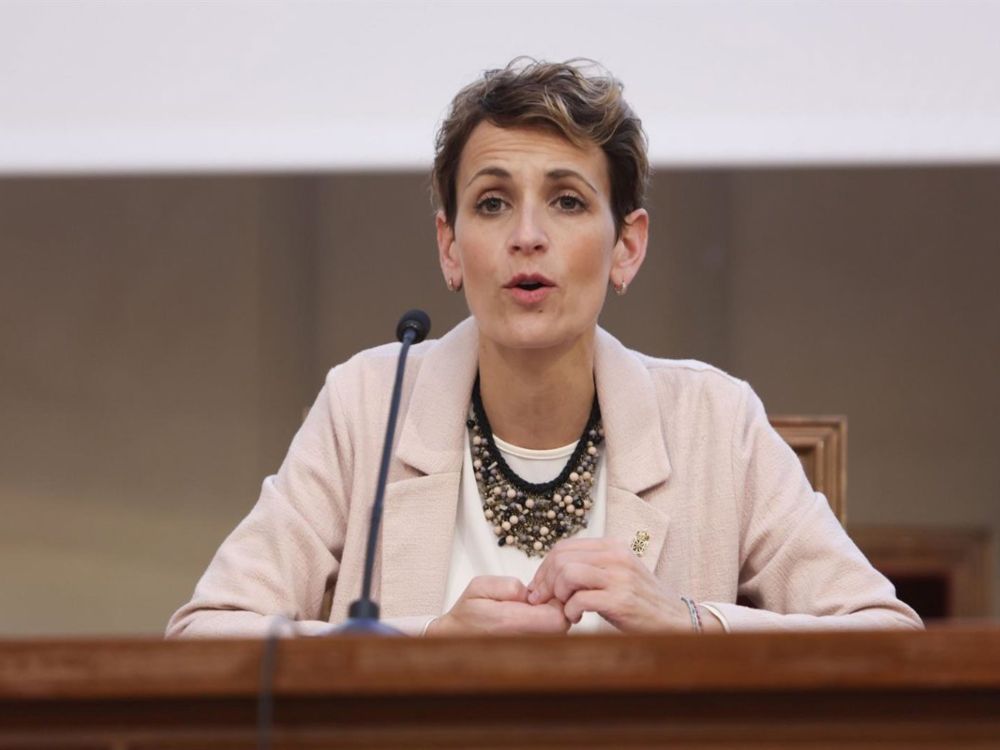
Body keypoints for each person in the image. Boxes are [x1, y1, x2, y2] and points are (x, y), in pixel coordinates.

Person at [167, 59, 921, 638]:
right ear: (451, 247)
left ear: (626, 246)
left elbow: (886, 640)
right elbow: (206, 635)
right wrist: (424, 645)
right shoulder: (370, 404)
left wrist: (687, 624)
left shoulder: (713, 422)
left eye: (566, 200)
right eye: (492, 203)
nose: (527, 235)